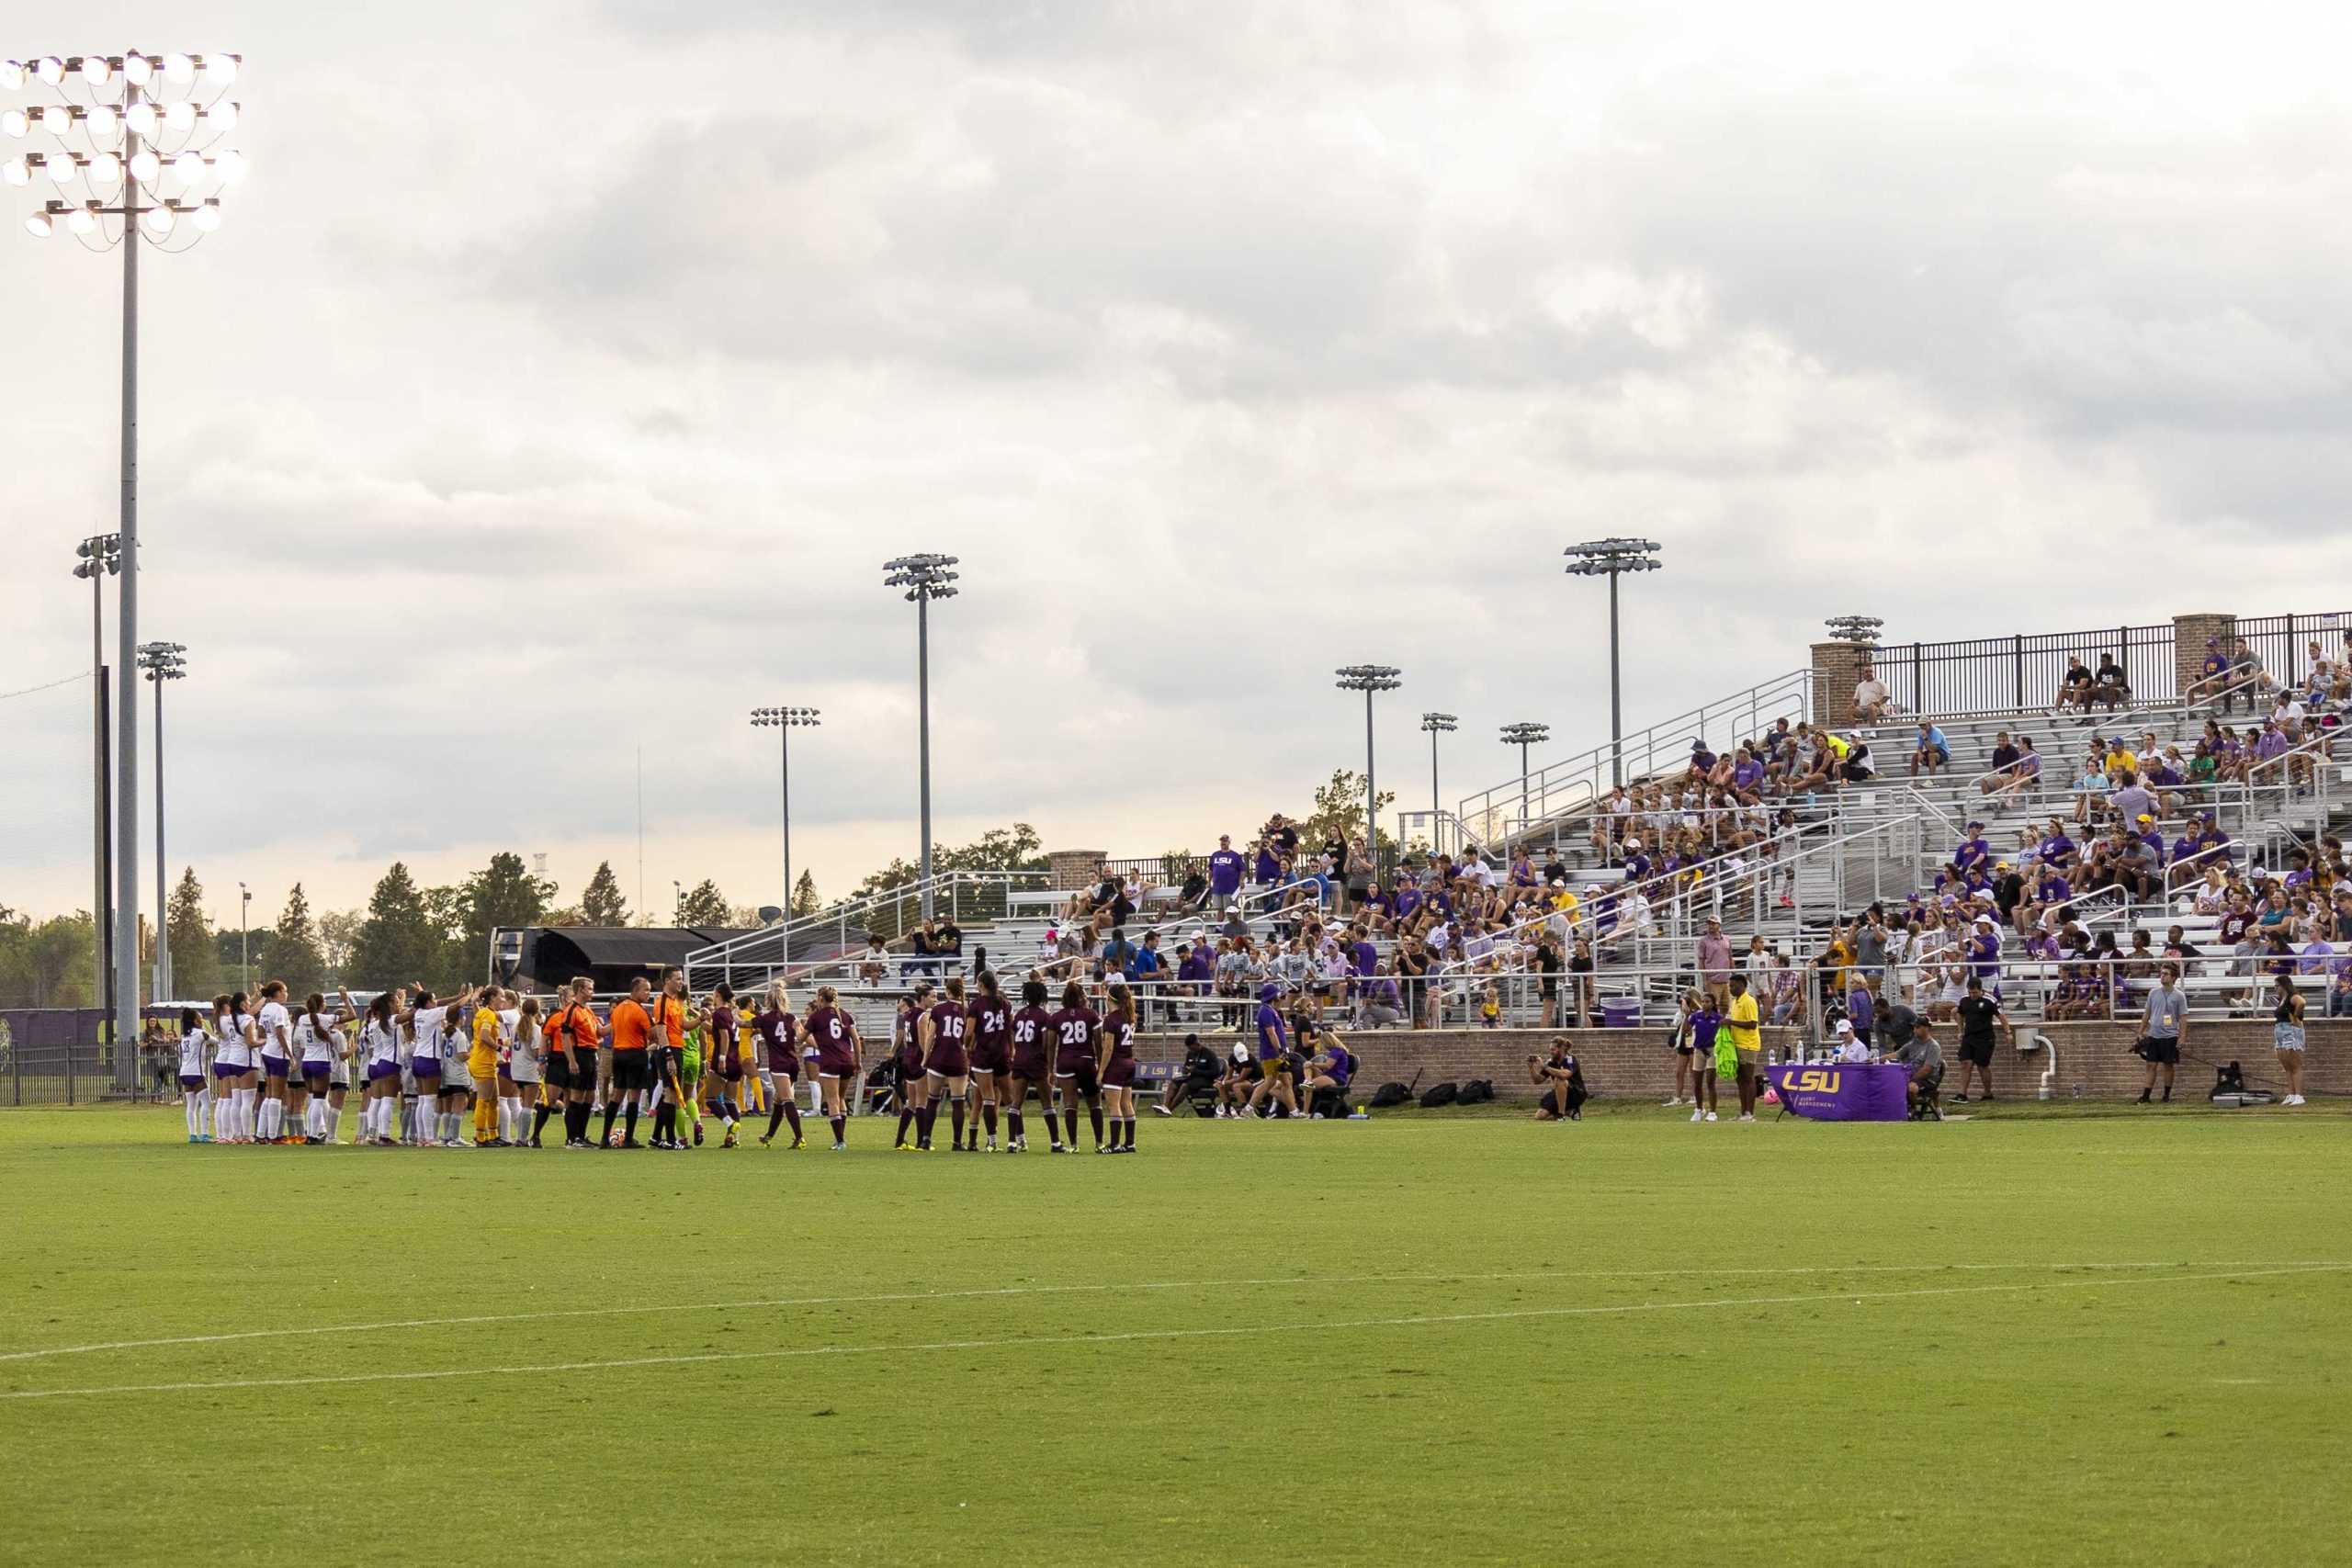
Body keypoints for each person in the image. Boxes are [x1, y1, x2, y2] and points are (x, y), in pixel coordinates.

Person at [918, 975, 972, 1152]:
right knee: (958, 1102)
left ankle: (926, 1139)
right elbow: (971, 1037)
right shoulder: (967, 1010)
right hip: (958, 1058)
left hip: (939, 1058)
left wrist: (926, 1058)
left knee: (932, 1099)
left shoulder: (939, 1010)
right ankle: (957, 1143)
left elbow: (930, 1037)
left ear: (947, 992)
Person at [545, 977, 601, 1149]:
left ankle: (581, 1136)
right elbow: (565, 1036)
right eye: (590, 989)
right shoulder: (572, 1010)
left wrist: (618, 1023)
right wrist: (572, 1060)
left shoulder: (588, 1010)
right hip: (580, 1054)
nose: (592, 992)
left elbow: (599, 1032)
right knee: (576, 1096)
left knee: (590, 1097)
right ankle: (572, 1138)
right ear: (581, 990)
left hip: (591, 1054)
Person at [806, 984, 863, 1151]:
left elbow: (801, 1038)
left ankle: (840, 1141)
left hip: (830, 1062)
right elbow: (856, 1040)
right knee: (841, 1098)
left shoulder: (816, 1017)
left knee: (832, 1100)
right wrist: (858, 1061)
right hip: (847, 1060)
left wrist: (797, 1029)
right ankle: (840, 1139)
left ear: (821, 999)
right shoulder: (845, 1015)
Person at [1050, 979, 1105, 1151]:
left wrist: (1050, 1069)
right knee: (1095, 1104)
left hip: (1065, 1062)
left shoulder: (1056, 1017)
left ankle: (1073, 1145)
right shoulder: (1091, 1015)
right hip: (1086, 1061)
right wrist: (1102, 1066)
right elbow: (1099, 1043)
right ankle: (1099, 1143)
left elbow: (1051, 1046)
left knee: (1070, 1104)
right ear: (1081, 997)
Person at [604, 976, 657, 1149]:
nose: (648, 993)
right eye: (646, 989)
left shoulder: (618, 1009)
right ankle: (629, 1138)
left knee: (616, 1096)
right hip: (635, 1053)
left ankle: (605, 1138)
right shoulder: (640, 1011)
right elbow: (652, 1034)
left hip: (618, 1053)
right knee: (634, 1096)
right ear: (635, 991)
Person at [752, 980, 806, 1148]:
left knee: (787, 1100)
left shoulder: (763, 1019)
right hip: (792, 1064)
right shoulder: (792, 1018)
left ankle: (800, 1138)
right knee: (778, 1100)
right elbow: (801, 1036)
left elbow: (743, 1024)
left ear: (768, 1001)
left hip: (779, 1064)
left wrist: (734, 1015)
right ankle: (769, 1136)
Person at [965, 969, 1012, 1152]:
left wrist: (966, 1046)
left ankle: (992, 1142)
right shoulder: (1004, 1004)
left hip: (983, 1055)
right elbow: (1009, 1030)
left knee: (987, 1099)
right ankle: (1016, 1139)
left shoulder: (976, 1005)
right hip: (1002, 1054)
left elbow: (969, 1032)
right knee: (1009, 1100)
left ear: (981, 984)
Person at [1007, 976, 1057, 1152]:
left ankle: (1012, 1142)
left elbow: (1012, 1035)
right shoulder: (1044, 1016)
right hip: (1036, 1061)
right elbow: (1046, 1043)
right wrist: (1049, 1065)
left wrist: (1016, 1051)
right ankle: (1055, 1143)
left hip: (1020, 1060)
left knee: (1016, 1103)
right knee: (1047, 1102)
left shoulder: (1020, 1014)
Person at [1951, 976, 2012, 1103]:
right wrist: (1960, 1031)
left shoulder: (1990, 1000)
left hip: (1985, 1038)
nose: (1972, 995)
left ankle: (1987, 1092)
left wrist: (2008, 1032)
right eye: (1970, 992)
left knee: (1982, 1066)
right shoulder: (1964, 1000)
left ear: (1981, 990)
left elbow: (2002, 1016)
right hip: (1969, 1037)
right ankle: (1962, 1094)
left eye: (1975, 993)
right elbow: (1960, 1014)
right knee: (1965, 1064)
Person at [2134, 963, 2188, 1105]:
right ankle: (2146, 1096)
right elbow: (2147, 1013)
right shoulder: (2153, 992)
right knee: (2151, 1065)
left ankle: (2166, 1095)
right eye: (2161, 973)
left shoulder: (2179, 996)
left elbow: (2183, 1017)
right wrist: (2141, 1031)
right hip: (2154, 1035)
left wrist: (2182, 1038)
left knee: (2168, 1065)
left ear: (2173, 977)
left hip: (2170, 1036)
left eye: (2166, 974)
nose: (2162, 976)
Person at [1097, 980, 1139, 1152]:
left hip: (1116, 1064)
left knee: (1114, 1105)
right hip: (1129, 1062)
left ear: (1110, 998)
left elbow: (1108, 1048)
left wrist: (1100, 1072)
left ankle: (1114, 1144)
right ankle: (1130, 1143)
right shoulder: (1130, 1015)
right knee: (1126, 1104)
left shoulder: (1111, 1019)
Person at [1247, 982, 1298, 1120]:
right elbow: (1271, 1033)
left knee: (1287, 1080)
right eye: (1279, 995)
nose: (1281, 998)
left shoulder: (1270, 1010)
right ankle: (1249, 1108)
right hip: (1271, 1053)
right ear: (1273, 996)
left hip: (1277, 1053)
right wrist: (1280, 1050)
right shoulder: (1266, 1011)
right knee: (1269, 1081)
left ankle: (1294, 1112)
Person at [508, 996, 548, 1146]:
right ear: (537, 1011)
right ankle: (522, 1139)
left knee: (522, 1103)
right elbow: (537, 1052)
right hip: (530, 1070)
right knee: (528, 1106)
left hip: (516, 1069)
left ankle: (520, 1136)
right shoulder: (536, 1029)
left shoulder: (515, 1027)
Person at [1887, 1019, 1945, 1120]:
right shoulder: (1913, 1043)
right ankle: (1894, 1110)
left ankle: (1912, 1109)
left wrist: (1909, 1079)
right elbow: (1897, 1054)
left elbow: (1927, 1070)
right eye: (1914, 1027)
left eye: (1918, 1027)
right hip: (1911, 1075)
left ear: (1927, 1028)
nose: (1914, 1030)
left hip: (1927, 1079)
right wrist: (1878, 1059)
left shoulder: (1933, 1047)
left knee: (1912, 1088)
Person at [1724, 972, 1763, 1122]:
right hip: (1737, 1043)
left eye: (1733, 986)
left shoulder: (1749, 1001)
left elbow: (1753, 1024)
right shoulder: (1735, 1002)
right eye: (1730, 986)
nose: (1731, 988)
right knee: (1740, 1079)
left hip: (1748, 1045)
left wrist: (1732, 1023)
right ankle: (1743, 1112)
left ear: (1742, 985)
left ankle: (1750, 1113)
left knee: (1748, 1078)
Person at [1158, 1032, 1221, 1117]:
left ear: (1196, 1044)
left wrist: (1196, 1071)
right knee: (1173, 1083)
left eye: (1192, 1048)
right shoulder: (1190, 1054)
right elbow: (1187, 1066)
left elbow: (1215, 1073)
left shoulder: (1209, 1054)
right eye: (1189, 1048)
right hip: (1192, 1078)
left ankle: (1170, 1109)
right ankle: (1165, 1106)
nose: (1191, 1050)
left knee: (1185, 1086)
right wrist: (1185, 1070)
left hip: (1206, 1080)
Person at [175, 1007, 214, 1144]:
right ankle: (204, 1134)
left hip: (184, 1072)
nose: (201, 1020)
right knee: (206, 1102)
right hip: (196, 1072)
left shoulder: (184, 1036)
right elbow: (217, 1041)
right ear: (194, 1020)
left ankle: (192, 1135)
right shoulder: (201, 1033)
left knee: (191, 1105)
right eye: (200, 1018)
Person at [1683, 989, 1720, 1123]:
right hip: (1699, 1050)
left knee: (1710, 1081)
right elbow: (1686, 1030)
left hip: (1712, 1050)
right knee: (1697, 1082)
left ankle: (1713, 1112)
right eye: (1703, 1002)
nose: (1704, 1004)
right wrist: (1687, 1016)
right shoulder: (1696, 1016)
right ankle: (1699, 1108)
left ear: (1713, 1003)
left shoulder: (1717, 1018)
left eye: (1708, 1002)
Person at [2271, 974, 2308, 1107]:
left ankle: (2299, 1095)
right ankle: (2291, 1094)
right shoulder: (2282, 999)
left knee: (2295, 1065)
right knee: (2286, 1066)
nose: (2275, 988)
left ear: (2284, 985)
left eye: (2277, 986)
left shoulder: (2293, 997)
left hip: (2291, 1031)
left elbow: (2302, 1002)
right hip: (2280, 1032)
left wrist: (2296, 1016)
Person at [1529, 1036, 1586, 1122]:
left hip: (1576, 1093)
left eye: (1553, 1049)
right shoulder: (1550, 1062)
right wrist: (1531, 1068)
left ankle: (1561, 1115)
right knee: (1540, 1115)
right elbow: (1538, 1080)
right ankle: (1571, 1112)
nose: (1551, 1052)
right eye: (1550, 1049)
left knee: (1560, 1079)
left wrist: (1544, 1067)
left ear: (1562, 1049)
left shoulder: (1570, 1059)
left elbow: (1565, 1075)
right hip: (1558, 1093)